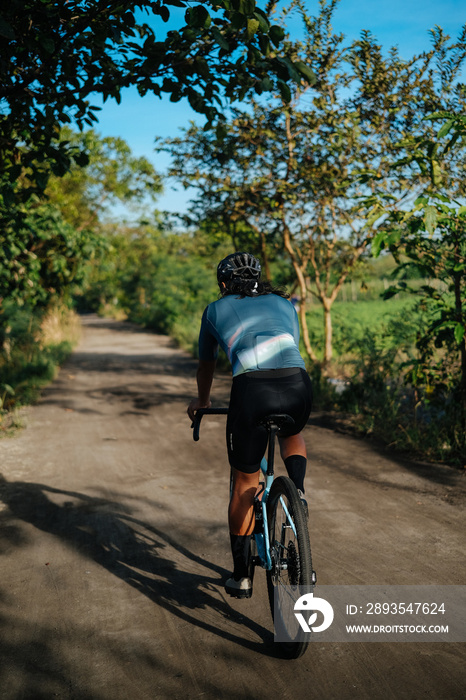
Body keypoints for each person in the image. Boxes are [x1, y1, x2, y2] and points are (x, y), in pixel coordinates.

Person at [187, 252, 312, 598]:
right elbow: (290, 345)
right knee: (292, 430)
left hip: (252, 392)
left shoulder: (214, 310)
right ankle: (297, 492)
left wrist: (203, 401)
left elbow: (206, 366)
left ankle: (241, 575)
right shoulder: (285, 303)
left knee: (245, 482)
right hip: (297, 384)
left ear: (224, 283)